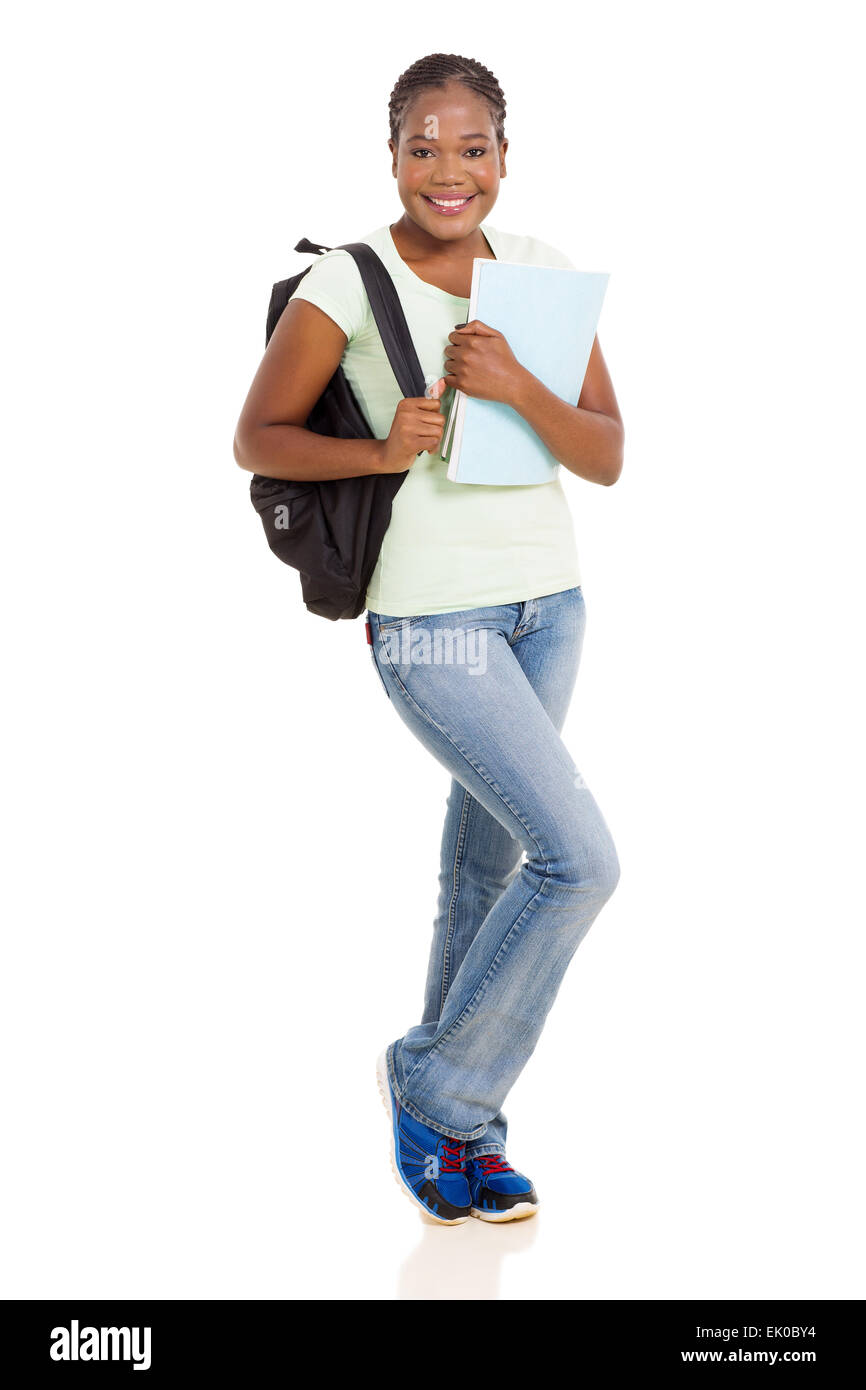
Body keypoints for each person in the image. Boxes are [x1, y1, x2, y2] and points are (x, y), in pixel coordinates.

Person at [233, 52, 624, 1225]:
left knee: (486, 868)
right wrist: (380, 449)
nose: (446, 173)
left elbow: (603, 452)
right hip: (433, 623)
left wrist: (512, 384)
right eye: (422, 146)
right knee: (580, 861)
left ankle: (466, 1131)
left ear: (503, 157)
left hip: (547, 606)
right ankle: (434, 1084)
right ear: (392, 154)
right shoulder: (344, 286)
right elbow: (257, 436)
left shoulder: (541, 274)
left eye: (470, 149)